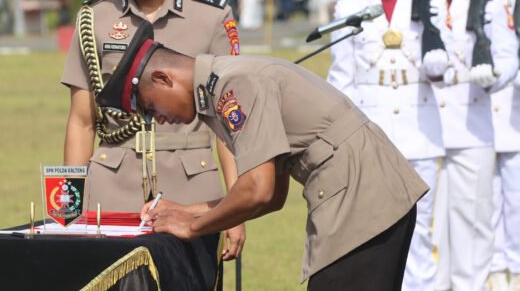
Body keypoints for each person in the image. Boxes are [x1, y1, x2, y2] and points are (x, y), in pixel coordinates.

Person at [95, 21, 429, 290]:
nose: (158, 120)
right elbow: (272, 196)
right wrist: (184, 211)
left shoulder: (233, 84)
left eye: (150, 107)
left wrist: (193, 226)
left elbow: (258, 189)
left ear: (163, 78)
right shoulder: (225, 80)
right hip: (374, 192)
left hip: (362, 200)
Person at [60, 0, 245, 260]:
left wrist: (236, 208)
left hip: (194, 193)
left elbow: (228, 124)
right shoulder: (94, 20)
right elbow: (82, 122)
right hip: (112, 190)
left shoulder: (210, 18)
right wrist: (69, 207)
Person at [326, 0, 446, 290]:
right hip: (371, 142)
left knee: (422, 237)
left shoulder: (431, 3)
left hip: (420, 136)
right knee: (377, 239)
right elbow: (340, 80)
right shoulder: (349, 8)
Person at [423, 0, 519, 291]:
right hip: (423, 131)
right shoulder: (415, 3)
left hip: (473, 126)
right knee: (427, 229)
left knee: (474, 225)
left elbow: (510, 58)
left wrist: (494, 74)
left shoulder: (491, 4)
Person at [473, 0, 520, 291]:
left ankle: (515, 267)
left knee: (517, 201)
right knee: (485, 201)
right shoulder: (466, 9)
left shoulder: (514, 6)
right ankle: (492, 267)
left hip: (514, 117)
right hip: (482, 119)